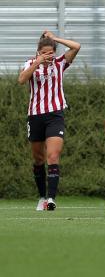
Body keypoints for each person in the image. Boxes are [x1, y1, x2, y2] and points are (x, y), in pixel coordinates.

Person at [18, 31, 80, 211]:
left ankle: (51, 199)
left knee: (53, 156)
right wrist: (37, 62)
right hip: (35, 116)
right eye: (44, 52)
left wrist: (56, 38)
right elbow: (21, 80)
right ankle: (42, 196)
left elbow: (76, 46)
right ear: (38, 52)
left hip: (55, 115)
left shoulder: (60, 63)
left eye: (50, 52)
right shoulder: (31, 63)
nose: (48, 55)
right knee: (38, 159)